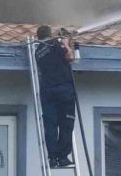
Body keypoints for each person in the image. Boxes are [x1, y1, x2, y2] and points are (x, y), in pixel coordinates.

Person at [35, 25, 76, 169]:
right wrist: (66, 44)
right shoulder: (55, 44)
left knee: (50, 126)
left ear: (38, 37)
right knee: (66, 124)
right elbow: (70, 57)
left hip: (47, 93)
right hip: (63, 91)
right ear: (50, 34)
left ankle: (52, 158)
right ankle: (63, 157)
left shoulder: (37, 51)